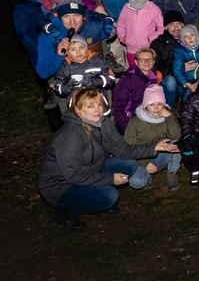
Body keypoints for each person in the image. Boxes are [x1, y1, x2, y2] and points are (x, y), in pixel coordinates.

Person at [38, 87, 178, 230]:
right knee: (110, 197)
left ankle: (96, 193)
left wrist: (154, 147)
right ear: (78, 110)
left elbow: (123, 149)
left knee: (129, 164)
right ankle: (66, 211)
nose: (97, 110)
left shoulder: (104, 123)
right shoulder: (70, 135)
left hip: (91, 168)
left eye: (99, 104)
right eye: (90, 106)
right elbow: (73, 175)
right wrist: (110, 179)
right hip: (61, 185)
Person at [122, 84, 182, 191]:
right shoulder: (135, 121)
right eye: (152, 104)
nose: (156, 108)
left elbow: (176, 136)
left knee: (176, 143)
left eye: (160, 104)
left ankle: (172, 172)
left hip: (160, 154)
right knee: (137, 182)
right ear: (145, 106)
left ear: (164, 105)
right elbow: (129, 146)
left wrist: (170, 118)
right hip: (140, 157)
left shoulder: (167, 118)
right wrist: (145, 163)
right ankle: (146, 173)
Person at [52, 33, 117, 113]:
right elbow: (57, 88)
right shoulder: (64, 67)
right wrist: (68, 87)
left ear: (86, 48)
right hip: (77, 107)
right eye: (73, 49)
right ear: (68, 53)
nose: (78, 51)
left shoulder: (98, 61)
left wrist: (93, 82)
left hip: (98, 104)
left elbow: (111, 79)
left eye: (81, 47)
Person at [112, 46, 162, 133]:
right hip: (130, 118)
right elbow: (118, 108)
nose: (146, 62)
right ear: (136, 62)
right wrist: (128, 128)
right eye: (142, 60)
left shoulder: (155, 76)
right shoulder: (127, 80)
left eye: (149, 59)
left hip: (148, 114)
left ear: (153, 61)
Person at [116, 0, 164, 67]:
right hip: (131, 50)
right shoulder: (126, 8)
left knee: (147, 72)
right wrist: (124, 38)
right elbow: (121, 25)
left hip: (148, 49)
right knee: (134, 73)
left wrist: (150, 39)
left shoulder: (153, 9)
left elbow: (161, 28)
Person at [150, 10, 185, 108]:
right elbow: (156, 68)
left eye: (178, 24)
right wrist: (180, 68)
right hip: (168, 82)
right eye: (171, 24)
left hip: (187, 80)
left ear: (183, 25)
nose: (176, 27)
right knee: (170, 81)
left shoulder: (190, 40)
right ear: (166, 27)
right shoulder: (158, 44)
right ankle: (169, 111)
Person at [171, 24, 199, 100]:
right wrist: (187, 84)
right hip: (187, 80)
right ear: (183, 40)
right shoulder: (179, 50)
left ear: (197, 36)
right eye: (186, 36)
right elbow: (177, 68)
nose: (189, 38)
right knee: (188, 95)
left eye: (192, 35)